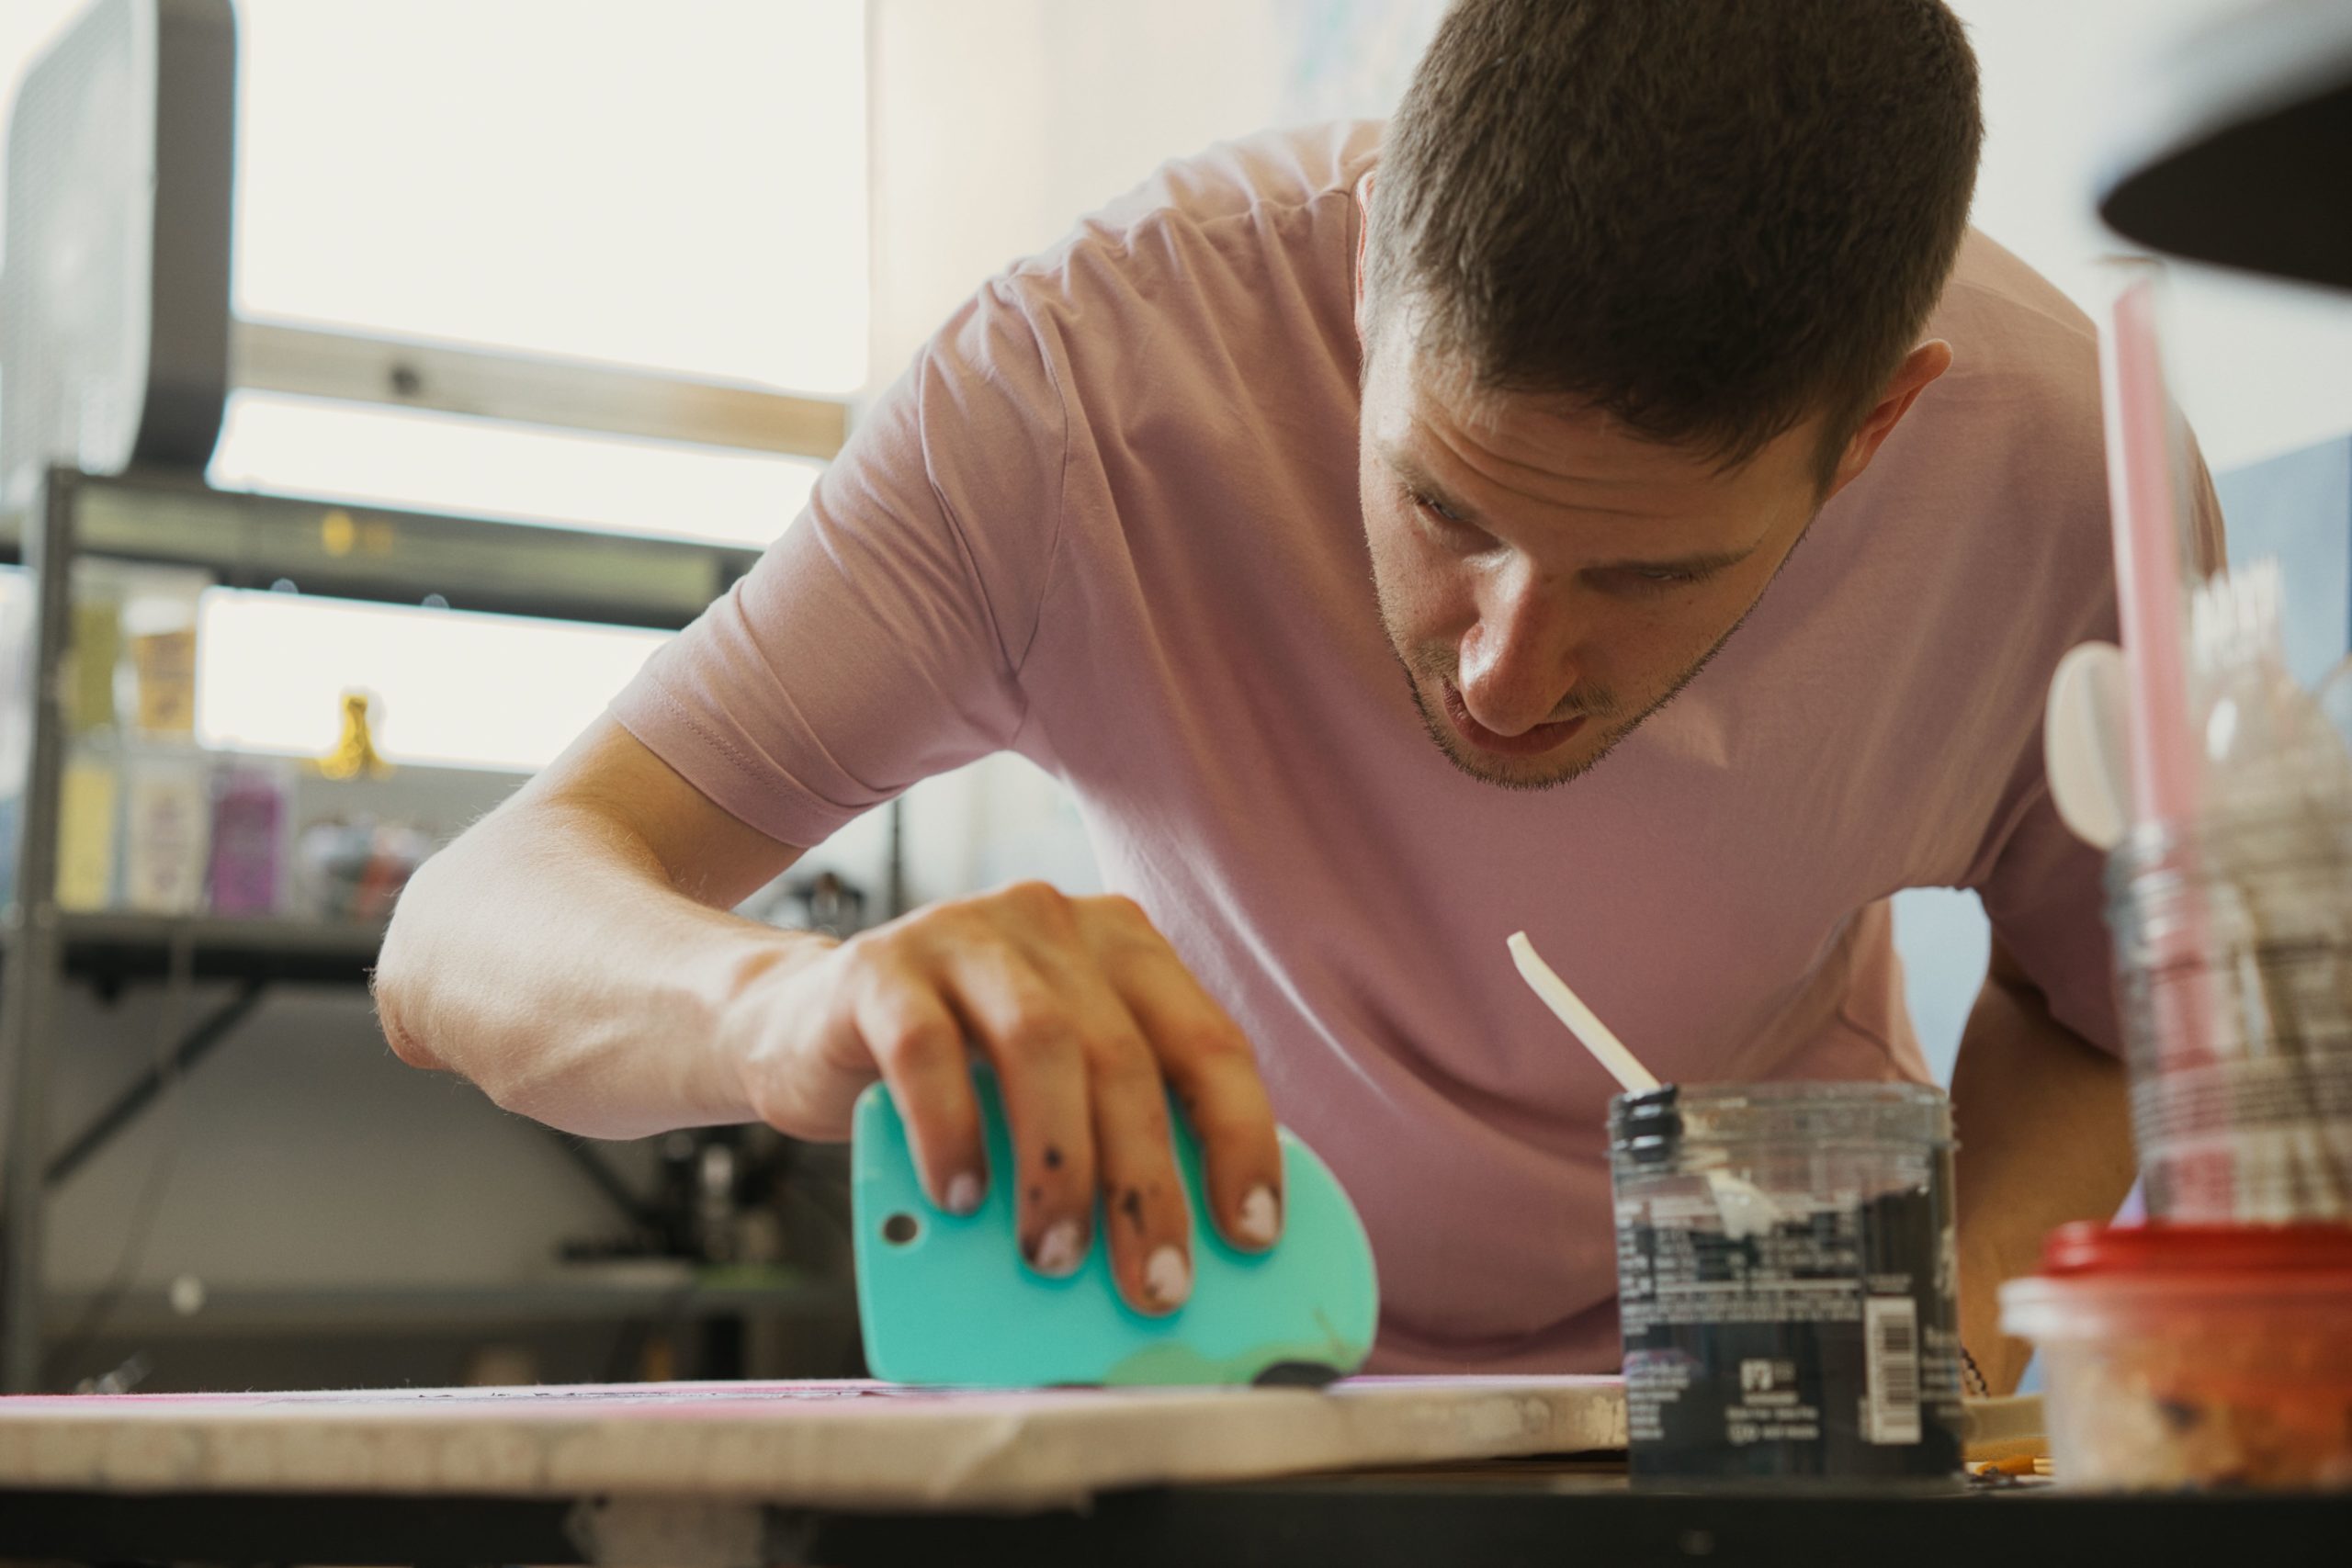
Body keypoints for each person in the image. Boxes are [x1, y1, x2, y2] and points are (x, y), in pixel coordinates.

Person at [377, 0, 2178, 1387]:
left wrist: (1923, 1346)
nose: (1502, 670)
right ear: (1368, 263)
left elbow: (2103, 1012)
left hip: (1730, 1400)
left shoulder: (2064, 480)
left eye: (1649, 575)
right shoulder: (1082, 386)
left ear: (1870, 430)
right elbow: (462, 933)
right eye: (1440, 508)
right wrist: (787, 1007)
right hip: (1202, 1353)